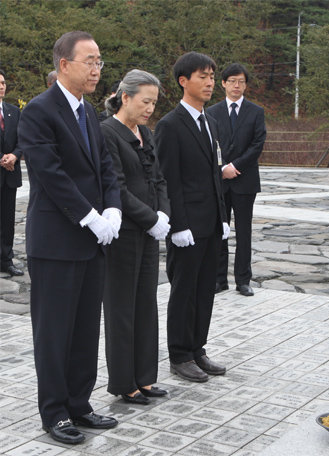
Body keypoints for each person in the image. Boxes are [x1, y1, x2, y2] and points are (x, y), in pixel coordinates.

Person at [17, 31, 121, 445]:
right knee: (54, 331)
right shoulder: (40, 112)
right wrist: (90, 217)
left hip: (91, 242)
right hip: (56, 242)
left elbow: (106, 166)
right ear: (65, 64)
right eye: (90, 61)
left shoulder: (89, 111)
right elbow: (51, 174)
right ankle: (55, 412)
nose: (97, 68)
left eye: (99, 61)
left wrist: (112, 207)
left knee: (83, 330)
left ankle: (80, 403)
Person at [155, 51, 229, 383]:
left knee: (204, 290)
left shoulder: (210, 121)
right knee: (184, 290)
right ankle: (180, 354)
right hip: (186, 226)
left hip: (210, 222)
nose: (210, 81)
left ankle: (198, 348)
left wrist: (223, 217)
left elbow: (214, 174)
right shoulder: (170, 125)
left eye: (212, 75)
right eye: (203, 76)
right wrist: (178, 225)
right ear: (184, 81)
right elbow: (168, 179)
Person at [101, 69, 171, 404]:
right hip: (124, 234)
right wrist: (148, 219)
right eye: (145, 101)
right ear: (125, 96)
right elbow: (116, 186)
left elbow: (159, 179)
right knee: (121, 309)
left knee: (146, 304)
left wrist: (164, 214)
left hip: (149, 232)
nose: (150, 109)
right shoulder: (107, 132)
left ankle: (145, 377)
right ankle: (123, 381)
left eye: (154, 103)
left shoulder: (146, 132)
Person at [207, 63, 266, 297]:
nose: (236, 85)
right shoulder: (212, 112)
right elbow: (210, 145)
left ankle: (243, 279)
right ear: (223, 83)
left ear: (246, 85)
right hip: (220, 180)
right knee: (219, 230)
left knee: (244, 232)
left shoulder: (255, 112)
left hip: (244, 179)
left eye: (241, 81)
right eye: (232, 81)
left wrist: (235, 166)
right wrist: (222, 168)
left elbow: (257, 144)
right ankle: (219, 279)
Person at [0, 69, 23, 277]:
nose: (1, 86)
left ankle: (6, 260)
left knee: (7, 221)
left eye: (4, 82)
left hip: (10, 174)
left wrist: (14, 156)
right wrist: (1, 157)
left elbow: (23, 139)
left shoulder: (14, 111)